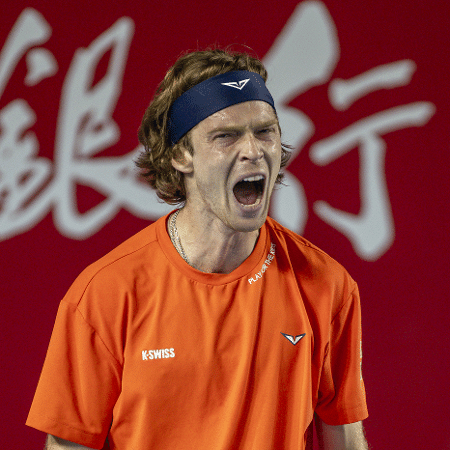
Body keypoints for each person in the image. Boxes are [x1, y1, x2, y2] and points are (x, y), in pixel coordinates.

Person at [27, 48, 369, 450]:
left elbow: (342, 438)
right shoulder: (105, 293)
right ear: (180, 155)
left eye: (265, 131)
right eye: (226, 136)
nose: (253, 150)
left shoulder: (327, 285)